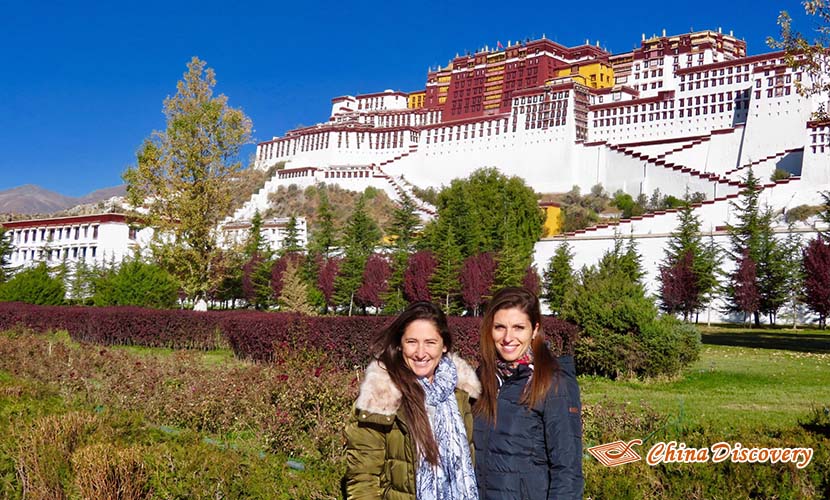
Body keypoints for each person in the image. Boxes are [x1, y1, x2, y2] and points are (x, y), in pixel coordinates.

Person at [345, 301, 481, 500]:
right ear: (400, 345)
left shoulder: (462, 394)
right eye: (411, 342)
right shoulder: (381, 396)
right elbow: (363, 479)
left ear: (444, 346)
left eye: (430, 342)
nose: (420, 353)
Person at [473, 287, 583, 499]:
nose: (507, 337)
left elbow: (567, 470)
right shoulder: (482, 378)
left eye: (518, 327)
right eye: (499, 327)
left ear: (534, 330)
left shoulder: (553, 382)